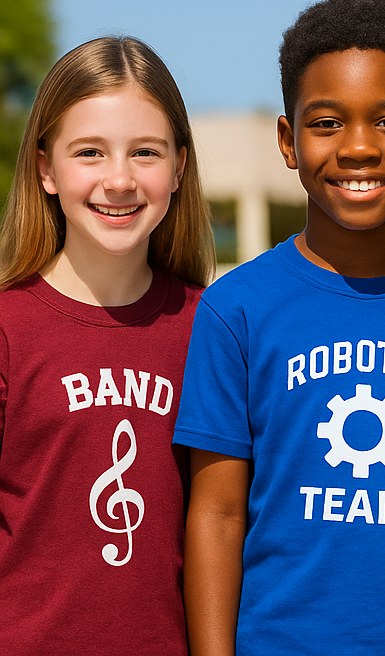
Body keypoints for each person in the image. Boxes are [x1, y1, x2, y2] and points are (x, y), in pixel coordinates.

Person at [173, 0, 385, 656]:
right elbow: (217, 514)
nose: (358, 148)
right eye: (325, 123)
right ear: (288, 142)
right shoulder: (235, 309)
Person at [0, 36, 213, 656]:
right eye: (89, 152)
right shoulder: (9, 328)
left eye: (145, 152)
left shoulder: (213, 328)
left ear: (178, 167)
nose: (119, 180)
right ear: (46, 169)